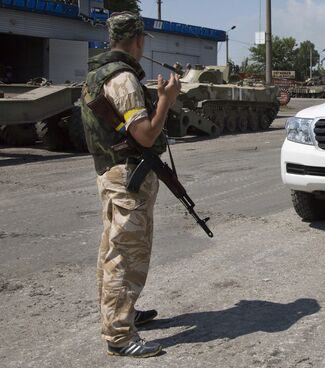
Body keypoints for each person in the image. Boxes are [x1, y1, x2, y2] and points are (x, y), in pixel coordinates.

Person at [80, 11, 180, 358]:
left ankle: (122, 313)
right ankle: (120, 336)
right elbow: (145, 134)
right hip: (126, 178)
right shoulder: (123, 79)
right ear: (137, 40)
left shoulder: (98, 73)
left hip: (112, 173)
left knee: (113, 249)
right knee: (125, 255)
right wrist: (167, 99)